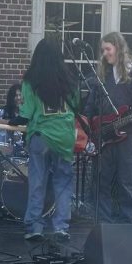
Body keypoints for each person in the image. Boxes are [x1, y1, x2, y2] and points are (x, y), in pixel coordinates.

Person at [87, 32, 132, 222]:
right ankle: (103, 222)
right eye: (103, 50)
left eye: (108, 49)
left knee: (126, 181)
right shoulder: (102, 75)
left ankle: (126, 220)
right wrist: (88, 127)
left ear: (118, 47)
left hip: (129, 133)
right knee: (103, 181)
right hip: (103, 134)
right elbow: (90, 105)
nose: (105, 54)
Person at [20, 38, 78, 242]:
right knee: (63, 182)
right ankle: (60, 227)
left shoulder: (31, 81)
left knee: (38, 182)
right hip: (64, 137)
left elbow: (27, 112)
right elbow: (76, 107)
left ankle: (35, 226)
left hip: (41, 136)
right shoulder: (70, 81)